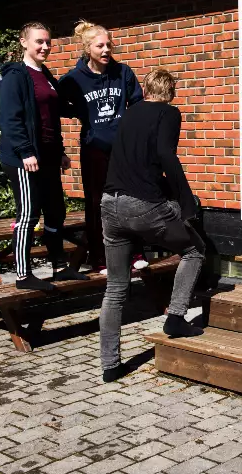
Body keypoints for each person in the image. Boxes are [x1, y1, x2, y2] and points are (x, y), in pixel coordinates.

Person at [99, 68, 204, 383]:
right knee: (195, 250)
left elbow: (135, 160)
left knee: (116, 288)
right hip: (142, 207)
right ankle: (175, 318)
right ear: (170, 93)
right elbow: (166, 155)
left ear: (145, 90)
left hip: (109, 203)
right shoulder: (169, 113)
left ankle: (110, 366)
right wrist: (186, 202)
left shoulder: (129, 114)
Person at [0, 22, 86, 291]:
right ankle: (23, 276)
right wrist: (25, 151)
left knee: (56, 211)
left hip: (47, 155)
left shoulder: (45, 75)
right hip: (24, 158)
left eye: (48, 42)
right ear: (24, 42)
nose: (45, 47)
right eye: (39, 41)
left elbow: (52, 116)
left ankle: (59, 267)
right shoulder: (16, 75)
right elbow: (10, 119)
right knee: (28, 214)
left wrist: (60, 152)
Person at [58, 21, 144, 274]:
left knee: (130, 199)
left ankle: (135, 252)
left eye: (109, 45)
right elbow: (56, 102)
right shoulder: (74, 79)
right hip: (94, 149)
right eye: (100, 46)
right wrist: (79, 111)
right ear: (88, 49)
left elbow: (137, 103)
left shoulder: (123, 72)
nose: (106, 50)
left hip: (123, 149)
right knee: (97, 204)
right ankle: (100, 258)